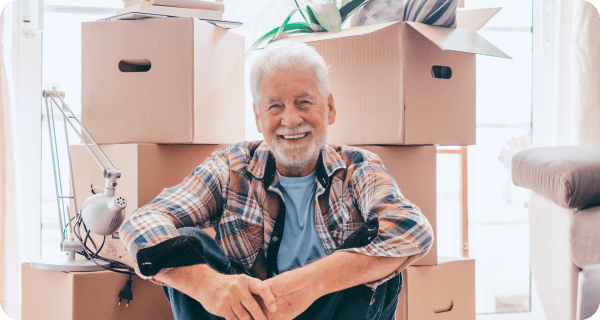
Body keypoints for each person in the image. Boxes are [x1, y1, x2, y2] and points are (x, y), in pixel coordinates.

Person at [120, 40, 434, 320]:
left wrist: (305, 286)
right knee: (190, 240)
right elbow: (142, 221)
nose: (291, 120)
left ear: (330, 108)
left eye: (304, 102)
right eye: (275, 106)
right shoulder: (231, 167)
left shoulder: (358, 167)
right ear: (258, 117)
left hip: (329, 310)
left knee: (386, 263)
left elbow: (412, 228)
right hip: (246, 315)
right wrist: (209, 285)